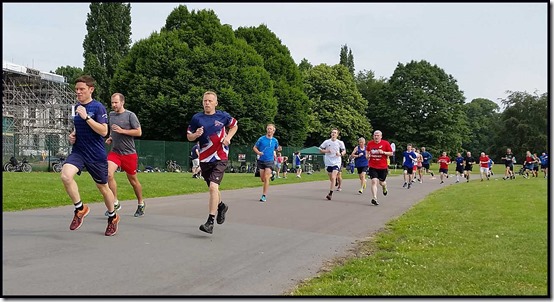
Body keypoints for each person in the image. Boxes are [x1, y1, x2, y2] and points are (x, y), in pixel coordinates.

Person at [61, 75, 118, 236]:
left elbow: (104, 131)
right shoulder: (76, 108)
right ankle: (80, 209)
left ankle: (112, 217)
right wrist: (72, 135)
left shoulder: (98, 107)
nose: (78, 92)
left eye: (82, 89)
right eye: (76, 89)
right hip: (79, 151)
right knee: (65, 176)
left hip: (95, 154)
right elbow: (78, 128)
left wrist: (86, 116)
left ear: (91, 89)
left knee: (103, 188)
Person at [187, 91, 238, 234]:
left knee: (213, 187)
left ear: (216, 103)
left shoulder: (223, 116)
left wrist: (228, 137)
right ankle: (221, 206)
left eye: (210, 101)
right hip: (204, 158)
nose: (207, 103)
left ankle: (210, 222)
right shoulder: (197, 118)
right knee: (212, 187)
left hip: (220, 156)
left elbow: (234, 125)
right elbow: (189, 136)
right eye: (205, 101)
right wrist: (195, 135)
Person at [105, 92, 146, 218]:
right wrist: (111, 137)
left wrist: (122, 131)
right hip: (115, 152)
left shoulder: (130, 115)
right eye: (112, 102)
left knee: (133, 181)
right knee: (108, 174)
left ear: (122, 102)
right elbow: (112, 130)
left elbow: (139, 132)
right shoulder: (111, 115)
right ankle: (115, 202)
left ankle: (141, 203)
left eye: (116, 102)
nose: (114, 105)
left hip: (129, 154)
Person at [366, 130, 393, 205]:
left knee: (382, 183)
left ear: (381, 136)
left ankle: (384, 187)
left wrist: (383, 152)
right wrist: (367, 155)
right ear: (373, 136)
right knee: (374, 181)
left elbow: (391, 153)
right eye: (375, 135)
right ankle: (375, 198)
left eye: (378, 135)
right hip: (373, 166)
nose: (376, 137)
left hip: (382, 167)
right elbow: (367, 151)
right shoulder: (370, 143)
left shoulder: (385, 143)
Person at [253, 123, 279, 202]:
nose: (269, 130)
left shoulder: (275, 140)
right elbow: (254, 147)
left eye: (271, 129)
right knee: (263, 179)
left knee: (267, 178)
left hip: (269, 161)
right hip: (261, 160)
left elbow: (276, 148)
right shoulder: (261, 139)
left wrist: (277, 151)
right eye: (268, 129)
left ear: (273, 131)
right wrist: (258, 153)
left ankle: (264, 195)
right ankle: (272, 174)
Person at [319, 128, 345, 200]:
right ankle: (335, 181)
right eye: (332, 132)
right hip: (328, 161)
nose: (333, 134)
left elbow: (344, 151)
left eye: (335, 133)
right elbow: (320, 150)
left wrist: (340, 154)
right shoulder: (326, 142)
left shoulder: (340, 142)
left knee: (333, 177)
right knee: (331, 178)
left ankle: (330, 194)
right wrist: (326, 151)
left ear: (337, 134)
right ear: (331, 134)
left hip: (337, 161)